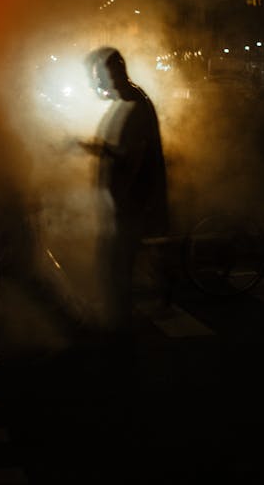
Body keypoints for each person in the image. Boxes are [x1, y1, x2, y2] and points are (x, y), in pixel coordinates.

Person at [79, 46, 169, 340]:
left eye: (98, 75)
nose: (98, 84)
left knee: (118, 262)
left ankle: (118, 326)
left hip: (130, 202)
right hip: (125, 201)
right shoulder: (128, 101)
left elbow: (130, 157)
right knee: (117, 260)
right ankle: (117, 319)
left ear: (112, 72)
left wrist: (96, 148)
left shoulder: (133, 105)